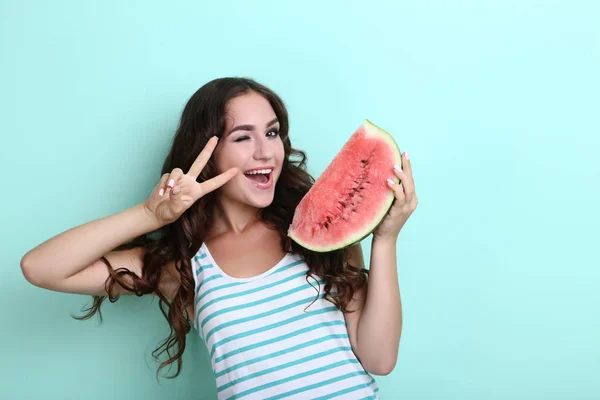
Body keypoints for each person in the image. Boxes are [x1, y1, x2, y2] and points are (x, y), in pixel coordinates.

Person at [20, 77, 418, 399]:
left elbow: (379, 358)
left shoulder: (320, 234)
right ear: (206, 155)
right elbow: (40, 268)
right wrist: (146, 213)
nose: (265, 152)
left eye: (273, 132)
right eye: (243, 137)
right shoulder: (184, 265)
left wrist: (384, 240)